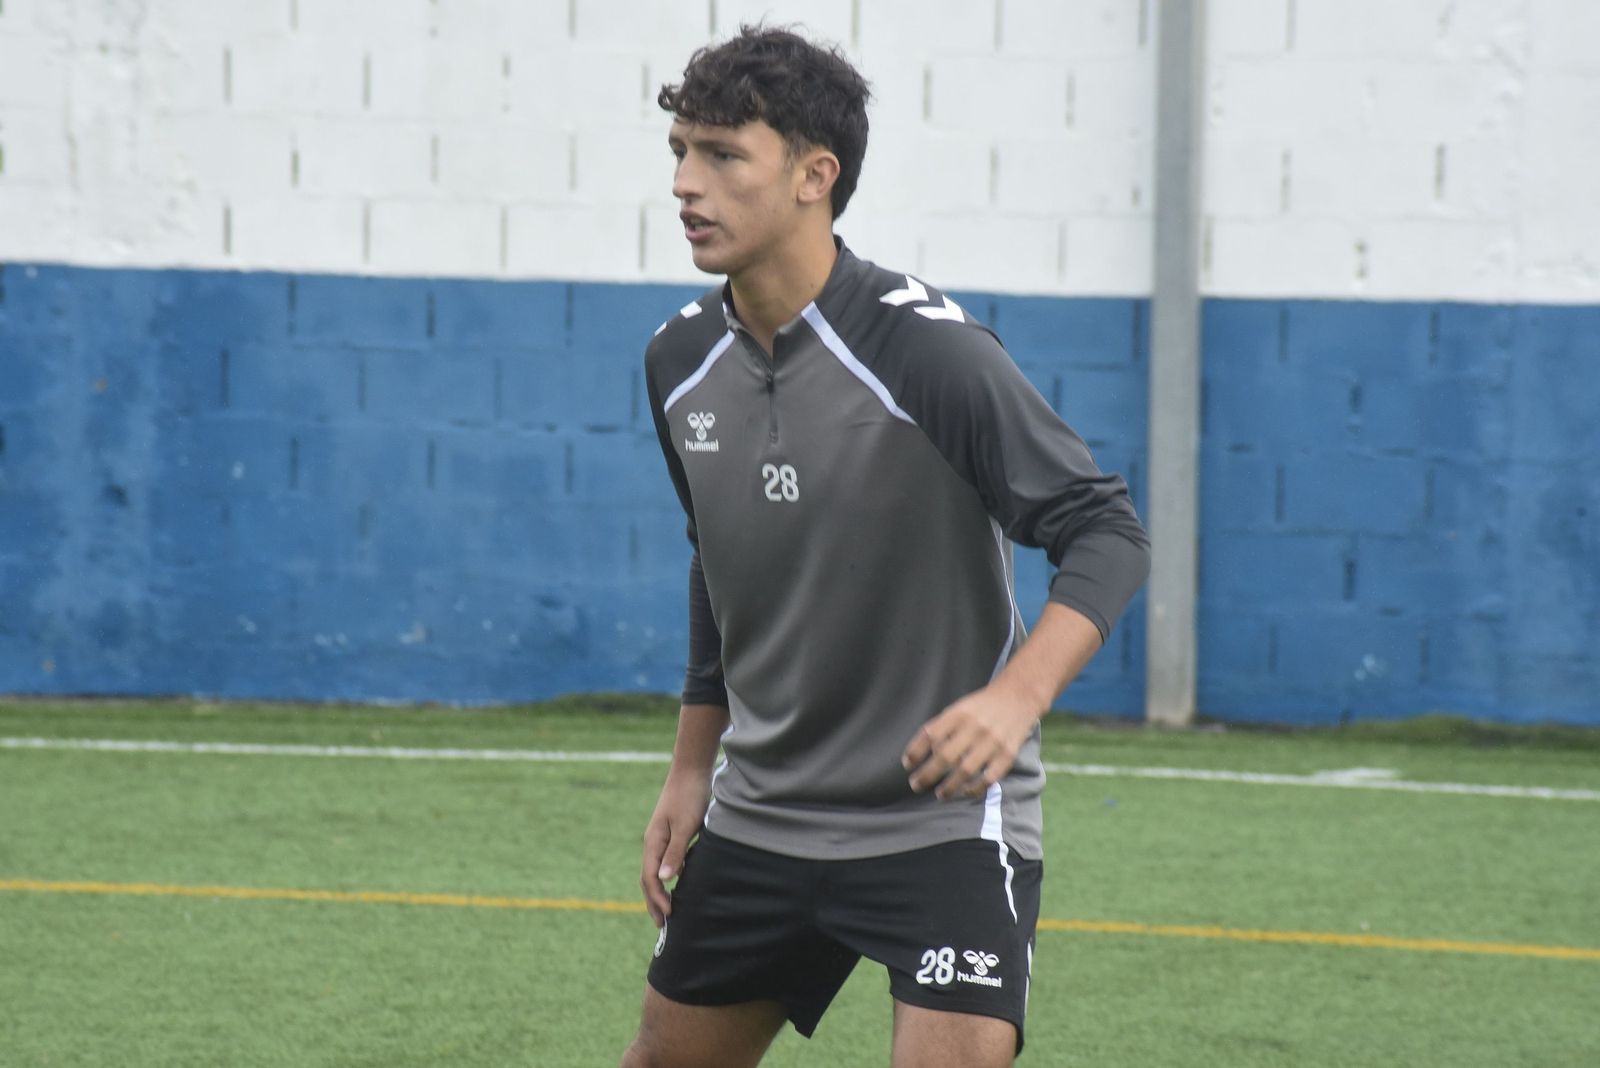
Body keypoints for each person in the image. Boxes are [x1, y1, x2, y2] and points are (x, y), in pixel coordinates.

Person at [621, 25, 1150, 1068]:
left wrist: (1014, 699)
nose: (686, 182)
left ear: (817, 175)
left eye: (723, 155)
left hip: (938, 826)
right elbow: (719, 558)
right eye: (680, 149)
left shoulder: (928, 354)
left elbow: (1105, 531)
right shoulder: (677, 361)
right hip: (762, 812)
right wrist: (691, 767)